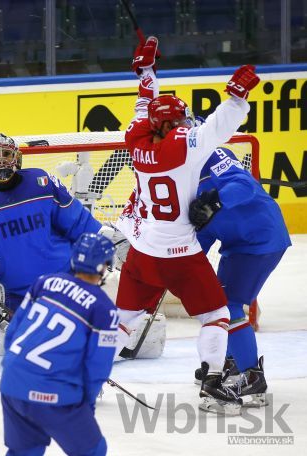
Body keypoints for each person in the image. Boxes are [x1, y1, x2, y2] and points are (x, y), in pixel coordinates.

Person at [114, 36, 260, 414]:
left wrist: (147, 73)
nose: (183, 122)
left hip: (143, 248)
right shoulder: (185, 143)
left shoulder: (136, 137)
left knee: (125, 319)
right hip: (179, 251)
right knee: (217, 315)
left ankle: (86, 375)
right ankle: (213, 384)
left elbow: (143, 106)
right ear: (173, 126)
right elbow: (219, 127)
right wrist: (236, 97)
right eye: (179, 120)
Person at [0, 133, 127, 352]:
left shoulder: (42, 183)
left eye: (6, 154)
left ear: (17, 158)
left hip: (67, 284)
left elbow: (76, 222)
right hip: (19, 297)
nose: (1, 161)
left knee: (93, 341)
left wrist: (103, 236)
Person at [188, 146, 291, 405]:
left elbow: (244, 185)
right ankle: (233, 360)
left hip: (260, 239)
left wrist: (214, 201)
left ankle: (253, 378)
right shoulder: (179, 175)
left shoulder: (212, 153)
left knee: (227, 306)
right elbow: (202, 231)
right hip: (236, 246)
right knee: (217, 305)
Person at [0, 232, 118, 456]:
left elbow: (12, 332)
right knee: (93, 450)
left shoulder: (43, 282)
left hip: (11, 383)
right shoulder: (104, 309)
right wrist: (87, 404)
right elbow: (97, 368)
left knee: (25, 450)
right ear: (103, 267)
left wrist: (18, 375)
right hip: (53, 395)